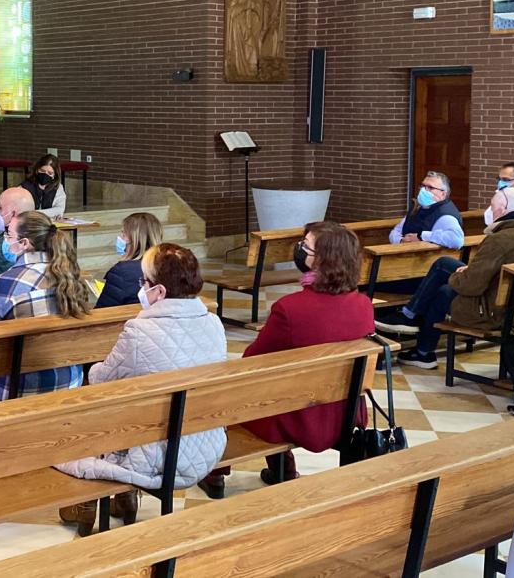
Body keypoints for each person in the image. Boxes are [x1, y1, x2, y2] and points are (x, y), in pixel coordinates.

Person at [55, 244, 226, 534]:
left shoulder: (139, 331)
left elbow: (100, 380)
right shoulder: (214, 323)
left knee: (87, 413)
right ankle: (124, 497)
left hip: (157, 450)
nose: (140, 287)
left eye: (143, 282)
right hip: (204, 441)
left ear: (158, 292)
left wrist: (94, 369)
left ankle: (88, 504)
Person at [197, 221, 375, 499]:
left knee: (225, 391)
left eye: (306, 247)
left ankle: (215, 472)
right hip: (344, 410)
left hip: (300, 416)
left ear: (322, 261)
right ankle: (283, 469)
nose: (300, 250)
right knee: (282, 386)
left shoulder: (290, 309)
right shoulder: (363, 305)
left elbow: (252, 361)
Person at [378, 188, 514, 369]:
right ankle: (412, 323)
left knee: (444, 292)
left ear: (503, 209)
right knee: (444, 263)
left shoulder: (500, 239)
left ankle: (420, 344)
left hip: (493, 313)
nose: (490, 211)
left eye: (492, 207)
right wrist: (469, 271)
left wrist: (457, 276)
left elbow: (471, 286)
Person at [0, 211, 94, 402]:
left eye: (8, 236)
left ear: (24, 243)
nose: (5, 240)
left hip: (17, 387)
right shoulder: (72, 277)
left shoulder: (7, 282)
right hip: (71, 380)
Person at [95, 212, 165, 308]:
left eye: (123, 233)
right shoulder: (169, 265)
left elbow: (102, 311)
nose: (120, 237)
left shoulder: (121, 271)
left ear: (133, 238)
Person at [389, 171, 464, 250]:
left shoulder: (445, 215)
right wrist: (401, 241)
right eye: (423, 186)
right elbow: (396, 231)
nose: (423, 190)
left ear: (443, 194)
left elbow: (457, 240)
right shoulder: (418, 207)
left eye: (430, 188)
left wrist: (421, 236)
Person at [21, 153, 66, 219]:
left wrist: (35, 213)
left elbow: (60, 209)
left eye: (50, 173)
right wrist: (51, 213)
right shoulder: (25, 187)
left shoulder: (58, 187)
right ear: (37, 170)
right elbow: (23, 212)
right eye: (42, 171)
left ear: (55, 175)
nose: (45, 175)